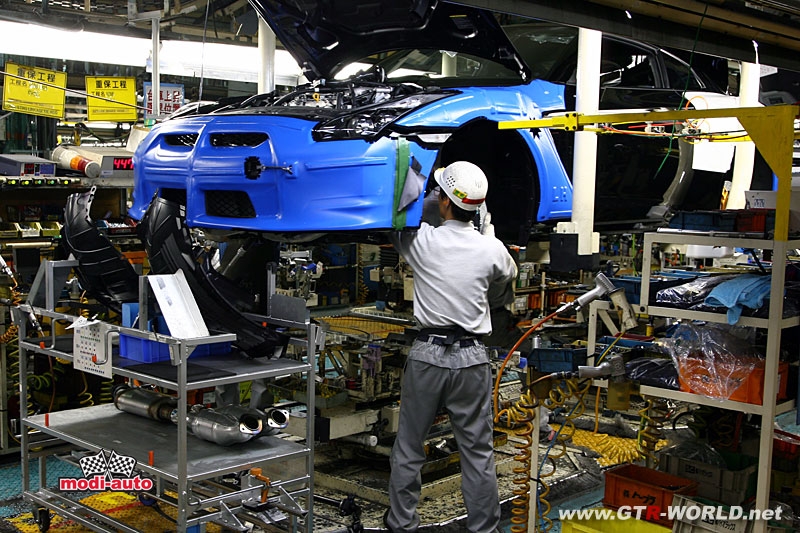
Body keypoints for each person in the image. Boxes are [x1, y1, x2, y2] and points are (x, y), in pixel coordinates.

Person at [385, 161, 518, 533]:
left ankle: (402, 525)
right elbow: (504, 289)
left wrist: (425, 190)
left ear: (444, 201)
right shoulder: (492, 250)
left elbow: (396, 215)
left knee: (409, 448)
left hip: (428, 354)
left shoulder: (423, 241)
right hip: (473, 357)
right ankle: (484, 528)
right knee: (477, 453)